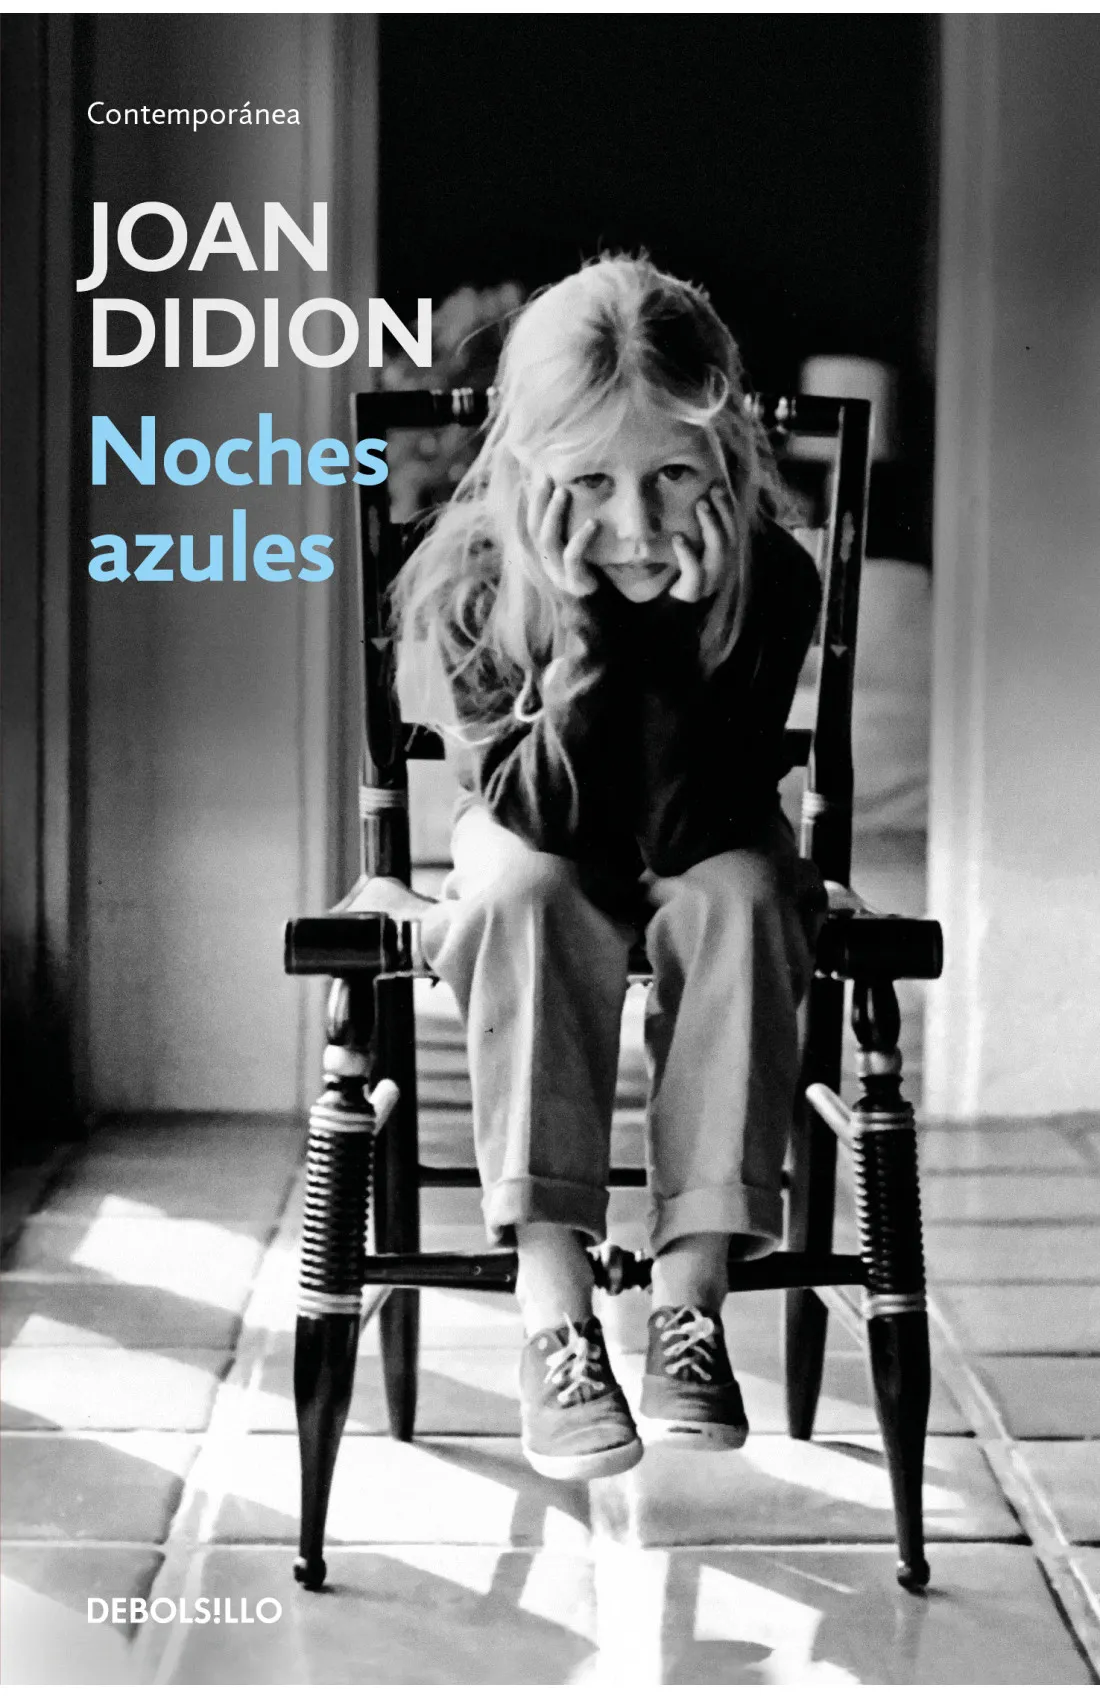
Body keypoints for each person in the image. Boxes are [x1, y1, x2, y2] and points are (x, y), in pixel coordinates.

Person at [392, 254, 823, 1483]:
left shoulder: (769, 578)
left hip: (703, 829)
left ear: (724, 455)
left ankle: (690, 1294)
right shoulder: (473, 579)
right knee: (522, 893)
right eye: (589, 482)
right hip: (536, 831)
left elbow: (691, 827)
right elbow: (540, 816)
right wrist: (588, 626)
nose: (635, 525)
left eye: (671, 475)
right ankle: (554, 1308)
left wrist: (676, 639)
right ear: (528, 469)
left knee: (745, 895)